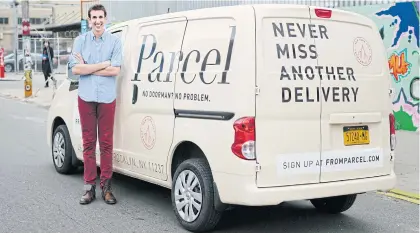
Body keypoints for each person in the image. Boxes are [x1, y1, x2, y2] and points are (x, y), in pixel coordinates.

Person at [68, 4, 122, 205]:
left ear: (105, 19)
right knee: (89, 143)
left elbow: (115, 70)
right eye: (94, 18)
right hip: (86, 97)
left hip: (107, 98)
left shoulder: (115, 41)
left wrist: (88, 68)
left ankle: (107, 188)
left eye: (100, 17)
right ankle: (89, 187)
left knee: (106, 144)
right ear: (89, 20)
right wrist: (102, 64)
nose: (97, 21)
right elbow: (75, 69)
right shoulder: (80, 41)